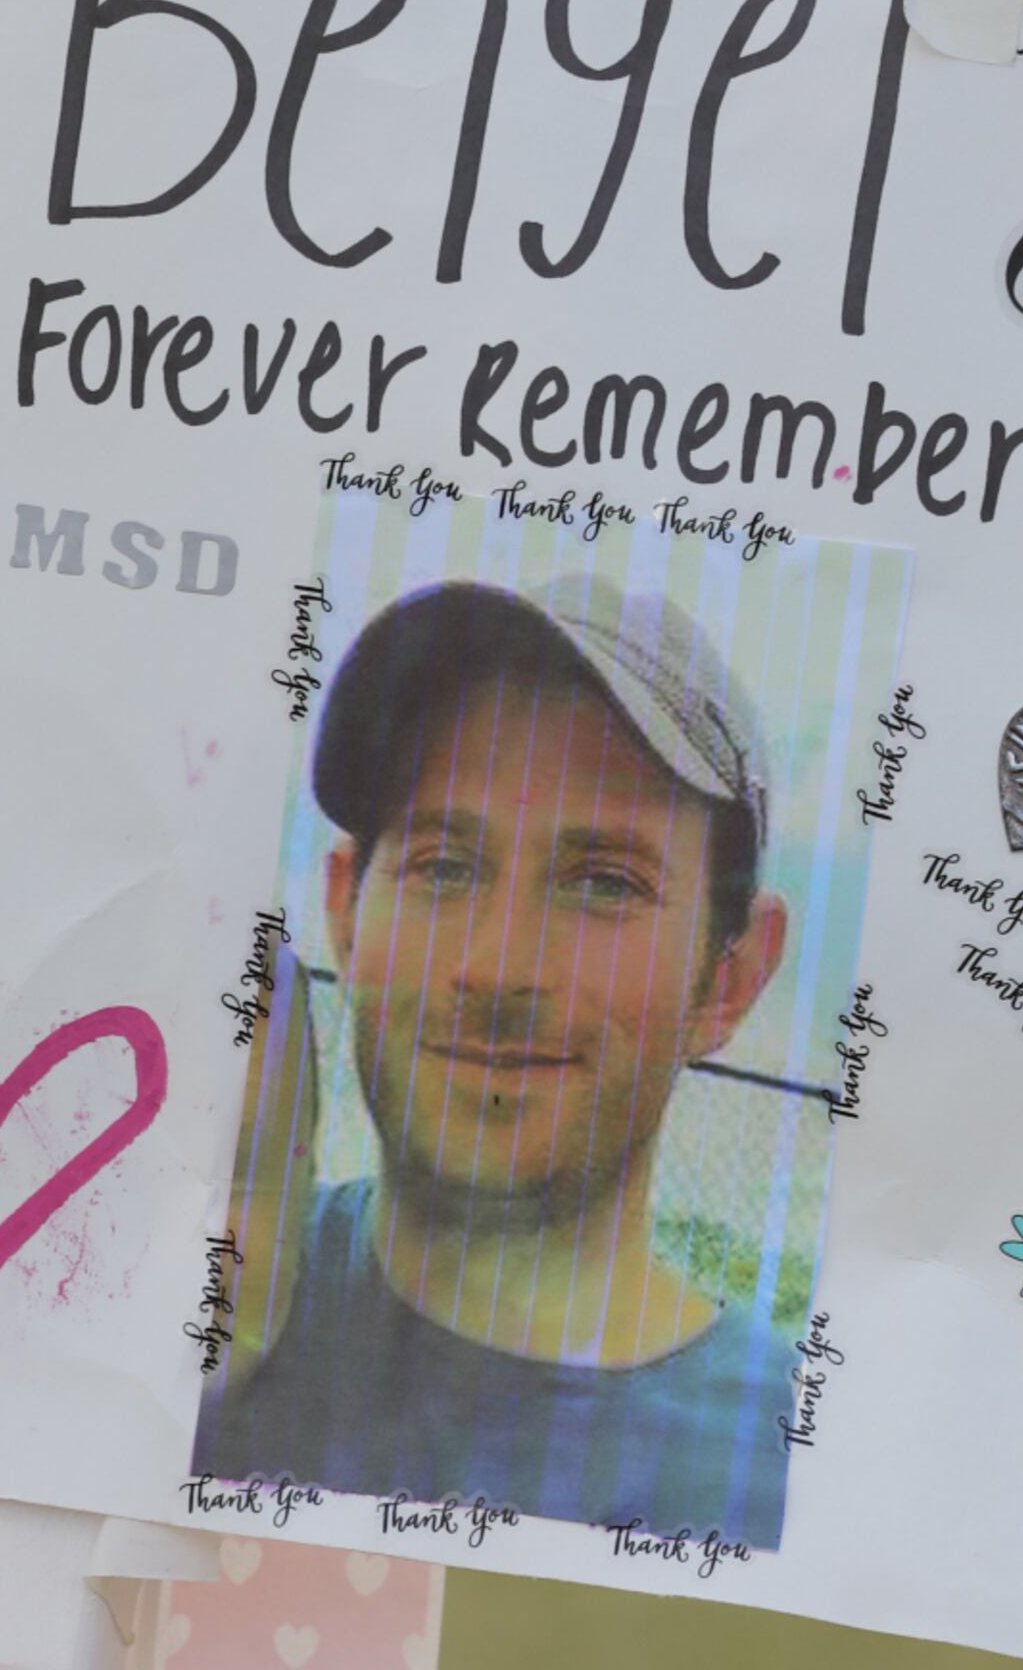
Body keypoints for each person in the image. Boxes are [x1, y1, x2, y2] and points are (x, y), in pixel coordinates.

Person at [194, 574, 799, 1547]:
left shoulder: (782, 1476)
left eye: (605, 883)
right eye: (443, 866)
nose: (497, 966)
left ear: (728, 980)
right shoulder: (189, 1309)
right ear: (346, 908)